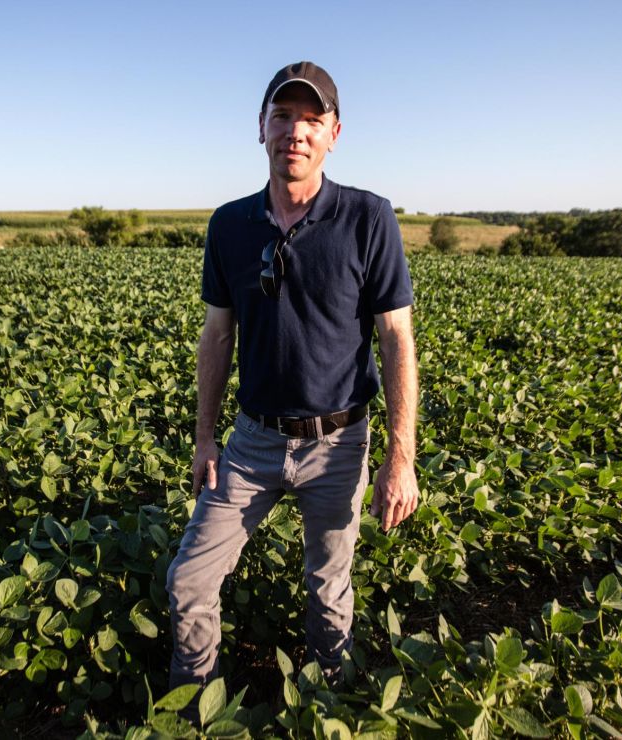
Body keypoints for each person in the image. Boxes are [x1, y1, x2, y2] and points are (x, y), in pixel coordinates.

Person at [165, 61, 419, 695]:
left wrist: (401, 457)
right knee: (188, 579)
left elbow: (396, 339)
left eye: (312, 120)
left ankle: (325, 702)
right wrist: (205, 440)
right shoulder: (229, 224)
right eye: (283, 117)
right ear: (261, 129)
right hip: (252, 444)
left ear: (334, 133)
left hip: (339, 442)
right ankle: (195, 704)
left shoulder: (369, 218)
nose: (295, 132)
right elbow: (217, 336)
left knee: (328, 587)